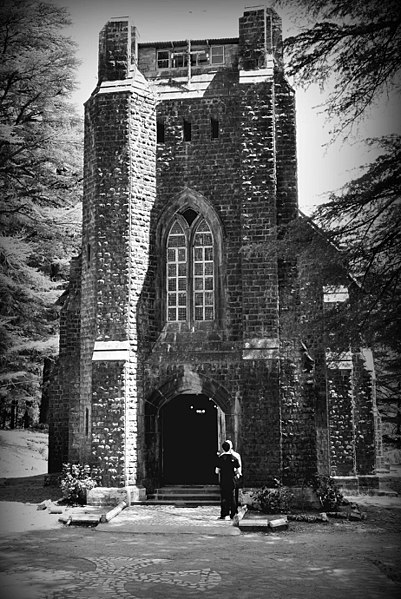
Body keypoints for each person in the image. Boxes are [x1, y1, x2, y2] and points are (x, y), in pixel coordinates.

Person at [215, 440, 240, 520]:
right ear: (230, 448)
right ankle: (233, 513)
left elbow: (216, 471)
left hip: (223, 480)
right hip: (231, 480)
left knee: (224, 497)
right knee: (232, 497)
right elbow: (237, 470)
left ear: (223, 448)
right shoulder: (234, 458)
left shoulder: (220, 458)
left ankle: (224, 514)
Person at [225, 439, 243, 507]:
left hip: (234, 475)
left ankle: (234, 507)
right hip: (227, 475)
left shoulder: (236, 455)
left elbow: (239, 465)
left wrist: (239, 473)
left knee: (234, 493)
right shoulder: (223, 455)